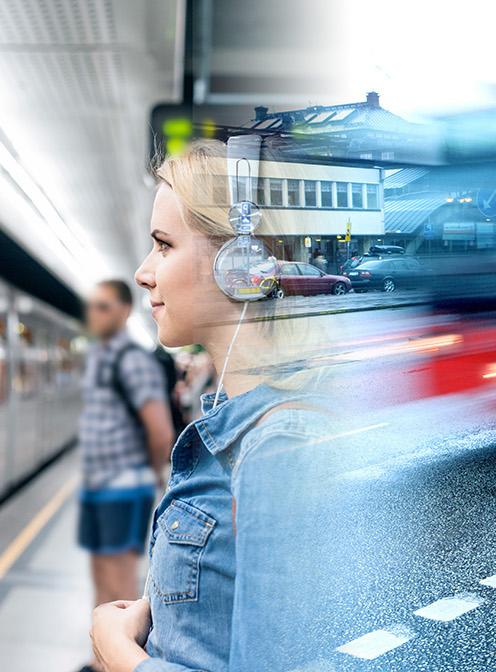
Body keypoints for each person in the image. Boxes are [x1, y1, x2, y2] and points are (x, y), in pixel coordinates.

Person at [90, 139, 336, 672]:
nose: (143, 271)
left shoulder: (278, 447)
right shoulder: (235, 421)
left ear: (240, 263)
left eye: (163, 245)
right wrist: (153, 613)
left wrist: (118, 655)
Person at [76, 278, 177, 671]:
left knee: (118, 576)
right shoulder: (101, 358)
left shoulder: (134, 361)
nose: (94, 315)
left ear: (122, 311)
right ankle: (98, 658)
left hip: (124, 483)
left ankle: (112, 661)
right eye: (92, 306)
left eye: (103, 306)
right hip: (99, 484)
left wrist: (151, 474)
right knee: (101, 569)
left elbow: (160, 429)